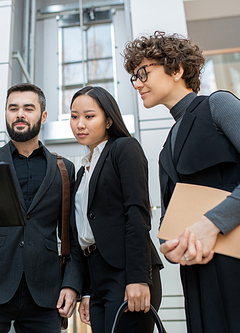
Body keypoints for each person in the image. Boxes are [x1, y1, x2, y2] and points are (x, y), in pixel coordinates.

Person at [123, 31, 240, 333]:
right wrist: (170, 244)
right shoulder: (167, 144)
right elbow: (172, 216)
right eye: (134, 77)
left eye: (144, 72)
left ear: (177, 69)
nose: (138, 83)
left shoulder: (217, 104)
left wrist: (211, 224)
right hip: (200, 272)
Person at [0, 83, 83, 333]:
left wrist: (72, 284)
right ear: (6, 113)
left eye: (28, 108)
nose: (20, 114)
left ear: (43, 116)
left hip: (46, 293)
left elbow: (72, 235)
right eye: (13, 108)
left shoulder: (64, 169)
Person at [69, 86, 163, 333]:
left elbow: (137, 214)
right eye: (74, 116)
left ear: (108, 120)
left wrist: (138, 278)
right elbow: (84, 231)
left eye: (89, 116)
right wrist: (87, 291)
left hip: (127, 270)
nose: (80, 123)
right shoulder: (82, 172)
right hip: (97, 275)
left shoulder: (124, 148)